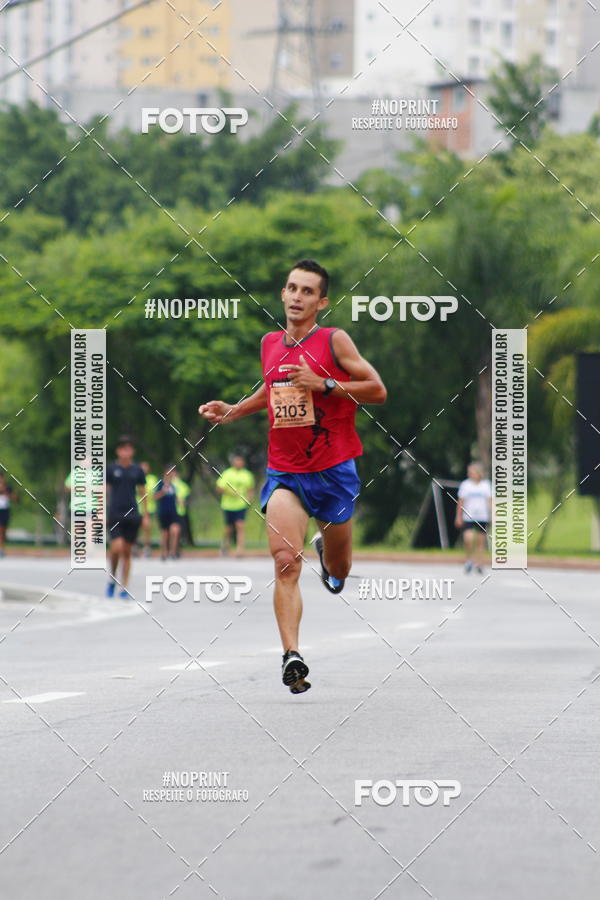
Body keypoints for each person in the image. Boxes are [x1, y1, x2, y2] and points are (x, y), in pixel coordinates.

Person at [199, 258, 386, 694]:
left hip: (334, 471)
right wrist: (234, 410)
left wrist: (325, 384)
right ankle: (292, 656)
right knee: (285, 562)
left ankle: (328, 556)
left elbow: (377, 390)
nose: (298, 297)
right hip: (286, 471)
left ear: (321, 302)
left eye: (308, 291)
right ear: (283, 294)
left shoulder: (334, 340)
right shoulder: (269, 343)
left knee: (339, 569)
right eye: (292, 288)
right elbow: (272, 389)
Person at [106, 436, 148, 598]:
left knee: (127, 551)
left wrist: (146, 515)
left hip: (132, 514)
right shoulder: (111, 469)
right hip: (115, 513)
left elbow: (143, 492)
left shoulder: (137, 470)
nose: (126, 452)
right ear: (118, 451)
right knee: (116, 548)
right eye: (123, 448)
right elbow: (103, 491)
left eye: (128, 449)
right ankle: (112, 578)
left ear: (132, 451)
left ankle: (124, 586)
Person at [455, 462, 492, 574]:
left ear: (478, 473)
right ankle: (469, 560)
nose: (470, 474)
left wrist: (493, 516)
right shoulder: (465, 485)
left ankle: (479, 563)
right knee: (468, 539)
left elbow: (490, 501)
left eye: (472, 472)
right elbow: (461, 502)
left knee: (481, 542)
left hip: (482, 517)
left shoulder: (486, 485)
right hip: (468, 516)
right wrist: (458, 516)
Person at [216, 454, 255, 556]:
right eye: (237, 461)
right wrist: (230, 493)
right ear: (233, 462)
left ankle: (240, 549)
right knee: (229, 528)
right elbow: (219, 488)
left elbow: (250, 489)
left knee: (240, 525)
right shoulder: (227, 473)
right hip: (228, 505)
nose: (239, 463)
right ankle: (225, 546)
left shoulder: (247, 475)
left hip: (241, 505)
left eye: (240, 461)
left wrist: (249, 500)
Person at [154, 464, 189, 560]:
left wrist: (180, 501)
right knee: (165, 533)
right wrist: (163, 492)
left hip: (173, 511)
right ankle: (164, 552)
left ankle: (173, 552)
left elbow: (174, 497)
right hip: (163, 511)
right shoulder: (160, 484)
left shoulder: (173, 485)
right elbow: (155, 496)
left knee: (175, 530)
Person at [138, 461, 159, 557]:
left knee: (147, 527)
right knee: (136, 528)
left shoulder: (152, 479)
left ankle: (146, 547)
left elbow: (154, 493)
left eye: (145, 467)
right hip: (137, 507)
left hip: (149, 508)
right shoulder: (135, 477)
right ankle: (135, 546)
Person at [0, 473, 17, 557]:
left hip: (4, 511)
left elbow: (15, 498)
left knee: (3, 531)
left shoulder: (7, 488)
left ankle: (2, 549)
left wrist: (7, 494)